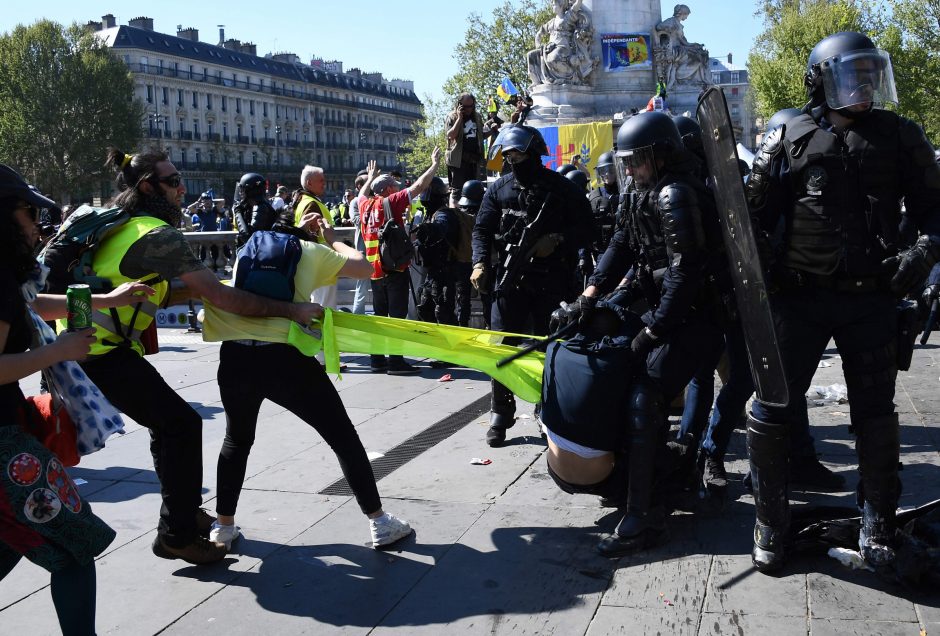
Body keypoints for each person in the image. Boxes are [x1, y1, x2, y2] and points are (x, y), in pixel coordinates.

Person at [744, 32, 940, 572]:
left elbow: (935, 209)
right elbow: (751, 218)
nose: (865, 86)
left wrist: (923, 252)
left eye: (870, 74)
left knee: (876, 415)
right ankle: (769, 520)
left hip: (871, 299)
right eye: (852, 75)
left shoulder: (901, 136)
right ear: (821, 80)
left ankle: (878, 520)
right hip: (797, 300)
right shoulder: (788, 134)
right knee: (774, 412)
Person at [77, 148, 322, 565]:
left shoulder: (123, 226)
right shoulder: (157, 235)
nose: (182, 188)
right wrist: (293, 310)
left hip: (85, 344)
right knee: (182, 425)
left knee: (169, 425)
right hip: (100, 352)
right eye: (173, 181)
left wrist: (202, 288)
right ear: (148, 187)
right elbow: (222, 297)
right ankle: (178, 534)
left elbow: (154, 290)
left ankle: (181, 520)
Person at [555, 112, 727, 555]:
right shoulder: (639, 192)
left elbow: (686, 273)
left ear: (661, 155)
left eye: (636, 161)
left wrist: (652, 331)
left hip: (695, 319)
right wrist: (589, 296)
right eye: (625, 162)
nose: (627, 170)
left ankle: (643, 516)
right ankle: (643, 480)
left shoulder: (677, 194)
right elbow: (621, 245)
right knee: (620, 381)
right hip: (665, 310)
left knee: (643, 398)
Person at [0, 164, 154, 635]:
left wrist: (105, 302)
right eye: (29, 212)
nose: (36, 224)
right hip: (4, 445)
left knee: (12, 541)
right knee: (74, 547)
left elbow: (33, 304)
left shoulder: (5, 280)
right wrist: (58, 350)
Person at [203, 212, 413, 551]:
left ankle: (223, 528)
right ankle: (379, 522)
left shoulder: (247, 251)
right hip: (285, 359)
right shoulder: (309, 250)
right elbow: (364, 267)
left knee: (237, 440)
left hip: (236, 356)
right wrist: (332, 237)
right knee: (342, 437)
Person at [471, 124, 594, 447]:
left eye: (518, 153)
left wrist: (558, 240)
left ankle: (545, 409)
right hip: (508, 283)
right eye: (508, 154)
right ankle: (501, 411)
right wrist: (480, 262)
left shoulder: (562, 189)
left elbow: (587, 229)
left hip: (550, 281)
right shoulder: (499, 189)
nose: (512, 159)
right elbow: (481, 229)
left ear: (534, 152)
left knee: (547, 349)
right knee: (501, 347)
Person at [359, 148, 442, 374]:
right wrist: (434, 164)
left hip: (373, 271)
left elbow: (360, 195)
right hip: (394, 269)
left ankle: (376, 359)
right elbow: (418, 187)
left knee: (378, 317)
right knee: (396, 317)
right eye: (395, 186)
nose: (398, 188)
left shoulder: (364, 206)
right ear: (387, 190)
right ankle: (395, 362)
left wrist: (370, 178)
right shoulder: (391, 202)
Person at [445, 93, 485, 195]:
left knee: (474, 191)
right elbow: (451, 135)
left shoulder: (477, 117)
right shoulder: (452, 117)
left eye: (471, 106)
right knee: (457, 192)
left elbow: (480, 135)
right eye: (466, 106)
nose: (469, 109)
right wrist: (459, 118)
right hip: (458, 162)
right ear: (459, 105)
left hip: (474, 161)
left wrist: (493, 130)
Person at [233, 172, 278, 248]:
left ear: (250, 191)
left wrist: (237, 212)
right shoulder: (250, 207)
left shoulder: (261, 207)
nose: (240, 193)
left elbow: (249, 238)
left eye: (242, 190)